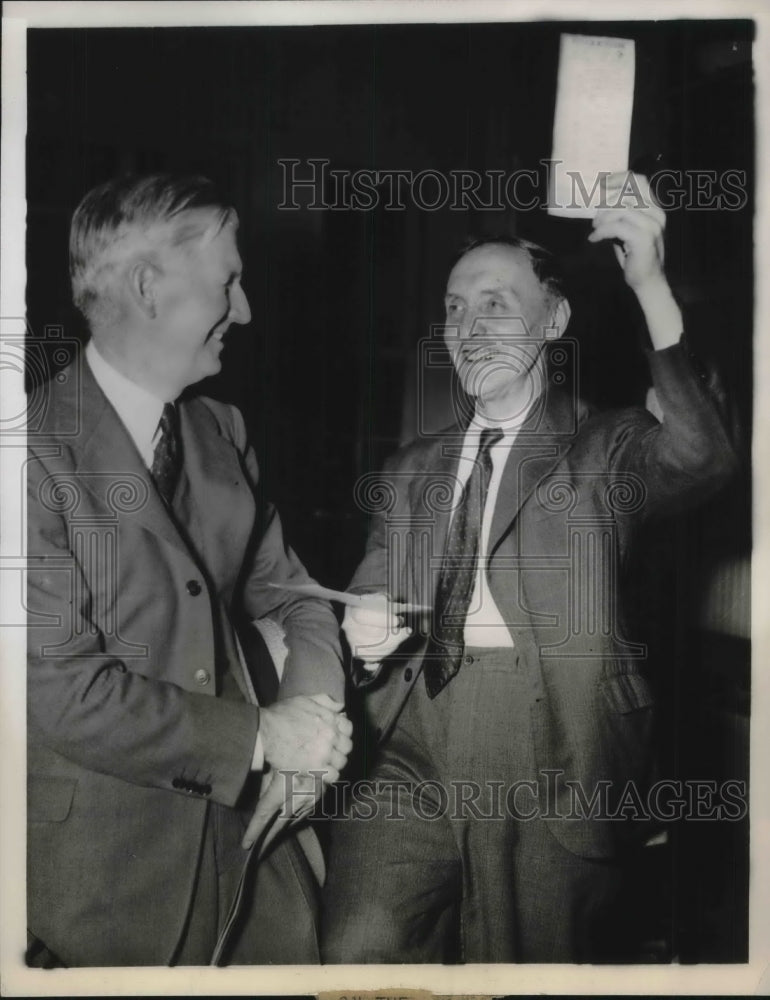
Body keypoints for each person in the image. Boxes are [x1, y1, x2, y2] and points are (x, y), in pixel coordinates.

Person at [321, 172, 738, 963]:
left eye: (495, 304)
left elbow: (701, 456)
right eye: (452, 307)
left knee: (516, 967)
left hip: (551, 746)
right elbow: (372, 582)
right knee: (355, 948)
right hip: (412, 736)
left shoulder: (602, 446)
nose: (468, 328)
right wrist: (362, 624)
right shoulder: (410, 468)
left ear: (555, 319)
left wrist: (649, 282)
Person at [26, 173, 352, 967]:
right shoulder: (29, 451)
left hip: (253, 844)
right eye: (229, 283)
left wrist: (314, 720)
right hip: (103, 876)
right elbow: (62, 692)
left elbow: (298, 592)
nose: (244, 310)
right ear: (147, 289)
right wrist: (265, 738)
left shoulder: (220, 428)